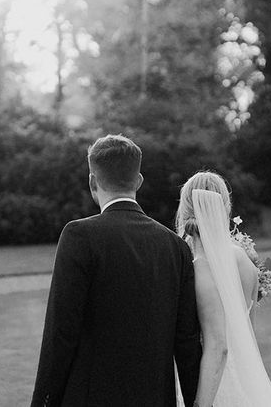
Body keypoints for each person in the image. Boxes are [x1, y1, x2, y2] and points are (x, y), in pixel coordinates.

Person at [30, 134, 202, 407]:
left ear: (92, 181)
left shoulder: (79, 236)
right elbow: (188, 343)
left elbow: (61, 333)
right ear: (139, 181)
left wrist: (43, 402)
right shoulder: (176, 247)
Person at [175, 171, 271, 407]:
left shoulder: (201, 267)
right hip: (249, 383)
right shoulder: (244, 261)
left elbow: (218, 346)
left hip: (215, 388)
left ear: (184, 209)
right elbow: (249, 337)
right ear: (225, 206)